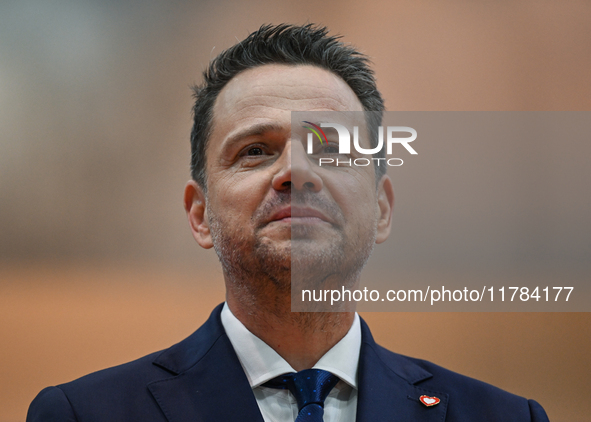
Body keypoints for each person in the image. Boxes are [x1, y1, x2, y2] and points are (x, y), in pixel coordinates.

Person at [27, 23, 549, 422]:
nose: (297, 172)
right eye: (255, 150)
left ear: (382, 209)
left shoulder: (504, 417)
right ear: (200, 213)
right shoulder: (82, 413)